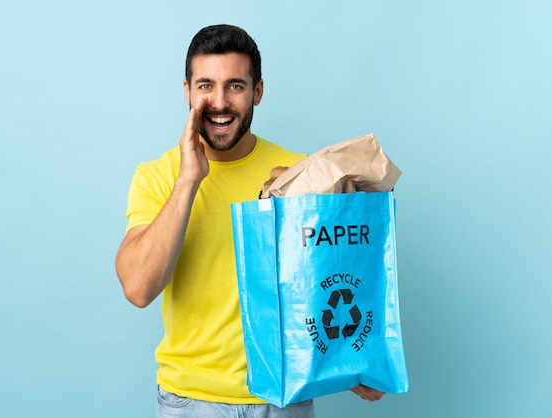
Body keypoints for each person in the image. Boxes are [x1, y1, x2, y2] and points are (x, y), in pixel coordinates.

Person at [115, 24, 384, 417]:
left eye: (235, 86)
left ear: (257, 91)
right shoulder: (157, 177)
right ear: (187, 91)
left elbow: (326, 279)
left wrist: (351, 356)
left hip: (284, 397)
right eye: (205, 86)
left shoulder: (299, 174)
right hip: (191, 402)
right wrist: (189, 179)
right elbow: (138, 288)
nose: (219, 102)